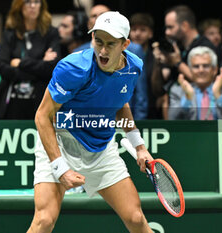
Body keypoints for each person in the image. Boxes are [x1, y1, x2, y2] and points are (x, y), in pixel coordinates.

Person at [28, 11, 154, 233]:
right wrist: (60, 167)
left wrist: (139, 146)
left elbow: (119, 103)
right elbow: (42, 116)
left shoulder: (133, 67)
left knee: (135, 218)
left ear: (125, 44)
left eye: (111, 44)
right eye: (98, 41)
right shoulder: (73, 68)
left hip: (101, 149)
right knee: (44, 221)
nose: (103, 50)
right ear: (92, 36)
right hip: (61, 141)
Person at [0, 0, 61, 119]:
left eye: (36, 2)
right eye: (28, 2)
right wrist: (40, 64)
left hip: (40, 100)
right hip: (11, 103)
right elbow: (4, 69)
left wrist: (20, 63)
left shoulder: (51, 33)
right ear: (20, 6)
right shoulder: (10, 33)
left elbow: (51, 68)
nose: (32, 6)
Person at [151, 5, 218, 119]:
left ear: (185, 26)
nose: (167, 32)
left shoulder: (205, 47)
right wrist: (158, 63)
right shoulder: (178, 49)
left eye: (170, 27)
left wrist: (178, 63)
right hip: (176, 112)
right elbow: (158, 90)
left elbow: (205, 80)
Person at [168, 46, 222, 123]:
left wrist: (219, 95)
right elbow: (171, 120)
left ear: (214, 70)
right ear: (190, 70)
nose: (201, 70)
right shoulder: (177, 92)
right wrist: (187, 98)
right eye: (196, 66)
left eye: (206, 66)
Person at [128, 13, 155, 119]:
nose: (137, 34)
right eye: (134, 29)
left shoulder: (156, 57)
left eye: (143, 30)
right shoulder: (125, 54)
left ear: (150, 33)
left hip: (151, 112)